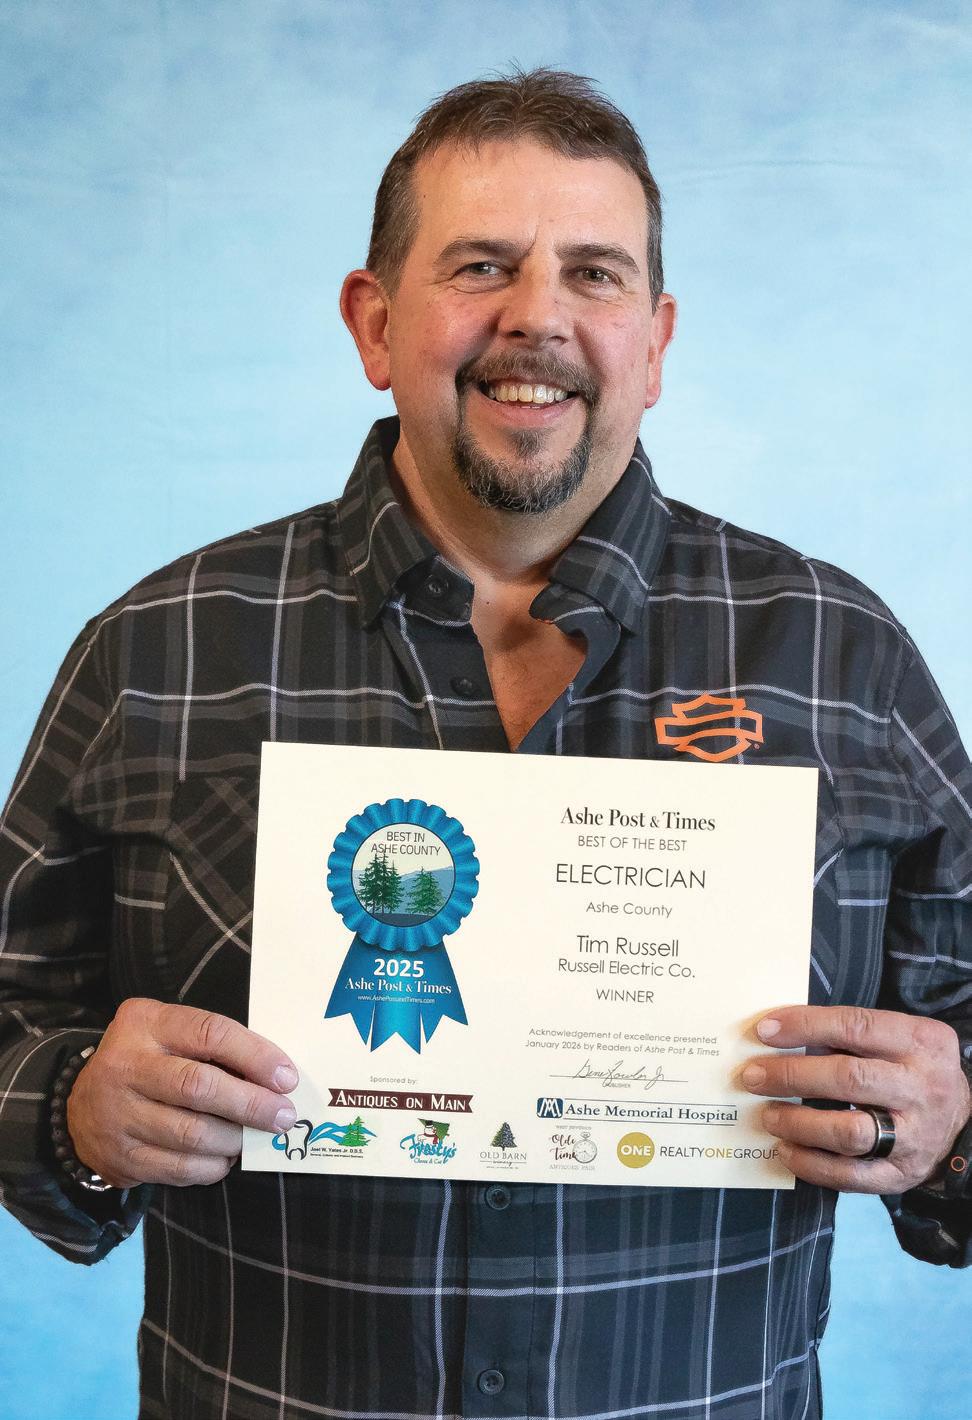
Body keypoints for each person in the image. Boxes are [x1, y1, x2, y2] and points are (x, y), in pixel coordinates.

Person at [1, 67, 969, 1420]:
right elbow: (13, 1017)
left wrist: (950, 1126)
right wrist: (73, 1112)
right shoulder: (160, 647)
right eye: (481, 266)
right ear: (374, 322)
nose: (539, 318)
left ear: (656, 341)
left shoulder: (843, 656)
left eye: (593, 274)